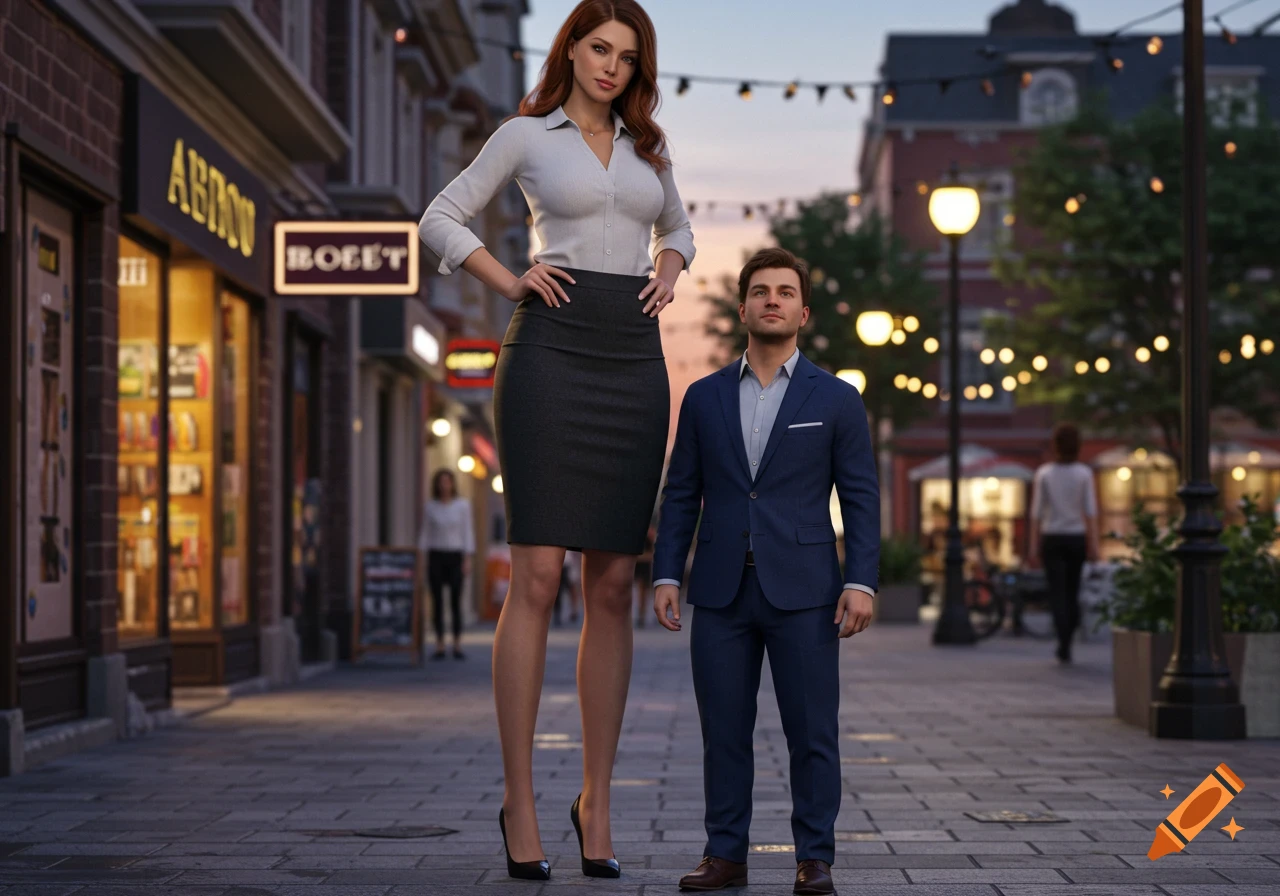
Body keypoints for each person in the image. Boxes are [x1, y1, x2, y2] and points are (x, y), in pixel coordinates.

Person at [417, 0, 694, 882]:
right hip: (549, 349)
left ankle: (596, 798)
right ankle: (520, 800)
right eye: (598, 47)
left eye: (627, 55)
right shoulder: (525, 135)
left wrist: (668, 267)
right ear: (571, 49)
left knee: (611, 583)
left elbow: (679, 228)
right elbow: (440, 219)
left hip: (632, 357)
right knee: (537, 574)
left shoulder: (651, 148)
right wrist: (511, 278)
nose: (611, 66)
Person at [652, 248, 879, 896]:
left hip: (807, 591)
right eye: (760, 291)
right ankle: (725, 854)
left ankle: (815, 857)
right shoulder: (702, 398)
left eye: (784, 292)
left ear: (803, 312)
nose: (771, 300)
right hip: (721, 590)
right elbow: (680, 491)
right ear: (743, 307)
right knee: (723, 731)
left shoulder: (836, 399)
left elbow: (861, 496)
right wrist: (668, 572)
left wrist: (860, 580)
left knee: (813, 732)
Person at [1026, 423, 1100, 664]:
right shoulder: (1084, 474)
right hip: (1076, 537)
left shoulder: (1045, 473)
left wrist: (1033, 546)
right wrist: (1094, 544)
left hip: (1052, 537)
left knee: (1057, 592)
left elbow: (1036, 513)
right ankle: (1069, 634)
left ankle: (1063, 641)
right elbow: (1090, 511)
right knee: (1072, 589)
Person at [419, 470, 474, 660]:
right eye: (441, 482)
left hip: (455, 555)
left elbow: (467, 531)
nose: (444, 486)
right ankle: (440, 643)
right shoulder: (430, 507)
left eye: (448, 482)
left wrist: (467, 558)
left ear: (452, 484)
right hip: (436, 555)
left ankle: (457, 643)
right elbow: (425, 533)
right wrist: (422, 559)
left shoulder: (462, 506)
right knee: (437, 601)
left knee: (455, 601)